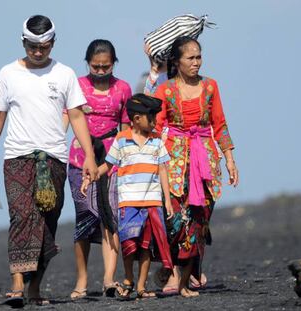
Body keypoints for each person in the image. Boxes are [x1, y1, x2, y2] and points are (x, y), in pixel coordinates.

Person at [0, 15, 98, 307]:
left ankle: (35, 288)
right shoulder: (8, 74)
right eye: (32, 46)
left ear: (53, 43)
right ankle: (17, 283)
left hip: (54, 158)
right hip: (17, 157)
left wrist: (90, 158)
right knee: (21, 215)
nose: (38, 51)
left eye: (44, 46)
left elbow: (77, 115)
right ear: (23, 43)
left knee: (46, 222)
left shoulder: (65, 74)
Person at [153, 36, 239, 298]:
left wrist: (230, 158)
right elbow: (156, 128)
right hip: (175, 161)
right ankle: (174, 272)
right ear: (176, 62)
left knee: (200, 220)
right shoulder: (165, 91)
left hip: (206, 160)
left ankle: (186, 273)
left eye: (198, 57)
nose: (196, 62)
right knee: (177, 220)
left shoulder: (211, 86)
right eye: (190, 58)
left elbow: (219, 124)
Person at [81, 93, 174, 299]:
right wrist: (91, 177)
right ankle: (129, 278)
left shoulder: (157, 140)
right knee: (129, 244)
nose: (154, 122)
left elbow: (163, 170)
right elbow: (108, 164)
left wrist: (167, 200)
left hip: (152, 202)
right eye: (151, 118)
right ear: (137, 119)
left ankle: (141, 285)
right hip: (128, 203)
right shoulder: (122, 140)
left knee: (146, 246)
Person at [66, 39, 132, 299]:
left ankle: (108, 279)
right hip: (78, 158)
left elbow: (126, 127)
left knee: (109, 217)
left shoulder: (123, 88)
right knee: (84, 216)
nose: (101, 71)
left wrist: (122, 158)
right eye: (96, 66)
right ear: (87, 63)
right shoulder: (77, 87)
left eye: (106, 66)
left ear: (113, 63)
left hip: (112, 158)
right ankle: (82, 279)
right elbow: (67, 118)